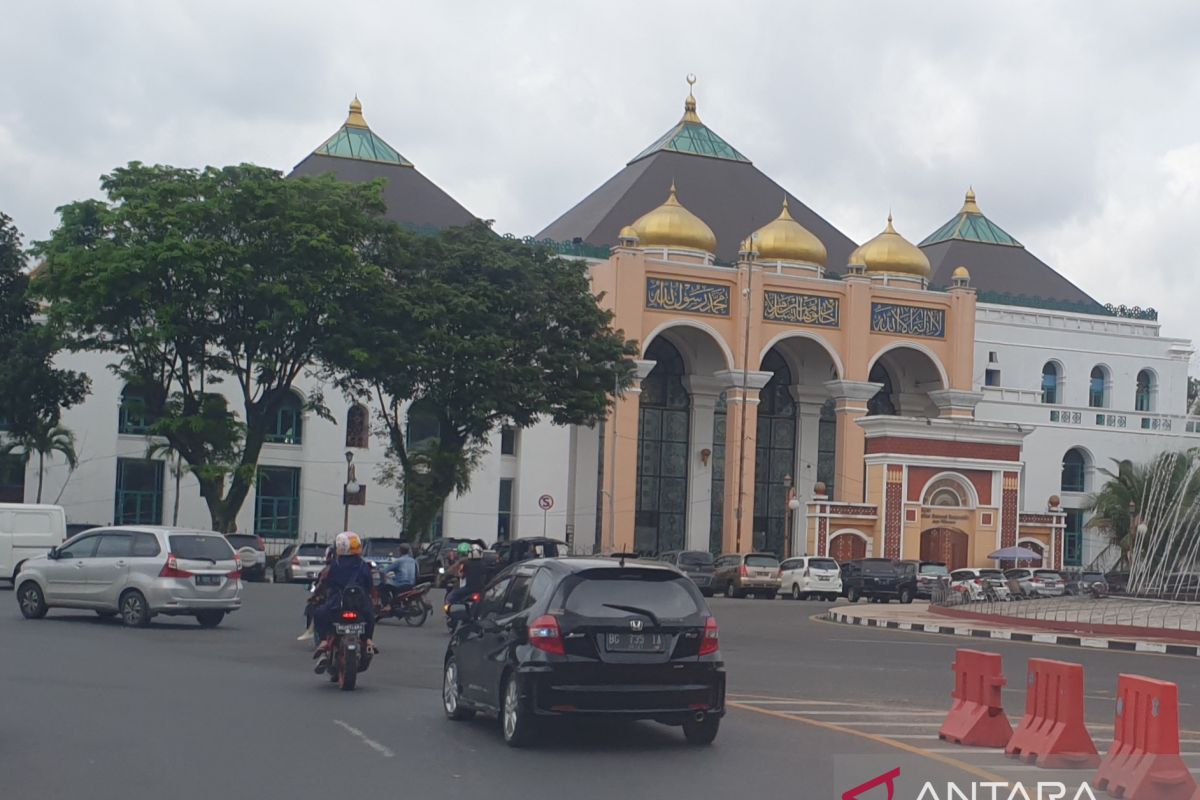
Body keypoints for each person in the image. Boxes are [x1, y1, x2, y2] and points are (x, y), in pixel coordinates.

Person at [312, 532, 376, 673]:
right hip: (360, 603)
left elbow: (327, 583)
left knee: (318, 613)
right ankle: (369, 641)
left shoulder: (335, 565)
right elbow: (369, 585)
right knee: (370, 615)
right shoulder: (363, 565)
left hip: (338, 602)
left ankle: (323, 642)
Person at [298, 545, 335, 643]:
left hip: (333, 600)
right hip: (352, 600)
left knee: (314, 609)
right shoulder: (357, 566)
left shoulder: (329, 570)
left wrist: (314, 597)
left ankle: (316, 635)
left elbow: (321, 585)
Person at [445, 542, 488, 606]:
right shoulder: (484, 563)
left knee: (449, 598)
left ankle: (450, 611)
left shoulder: (465, 563)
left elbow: (461, 574)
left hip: (468, 588)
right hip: (481, 589)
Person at [380, 543, 417, 611]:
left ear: (400, 551)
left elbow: (384, 571)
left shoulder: (399, 561)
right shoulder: (413, 560)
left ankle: (387, 605)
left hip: (401, 585)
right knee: (393, 584)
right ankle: (396, 604)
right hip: (412, 584)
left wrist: (380, 572)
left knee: (383, 587)